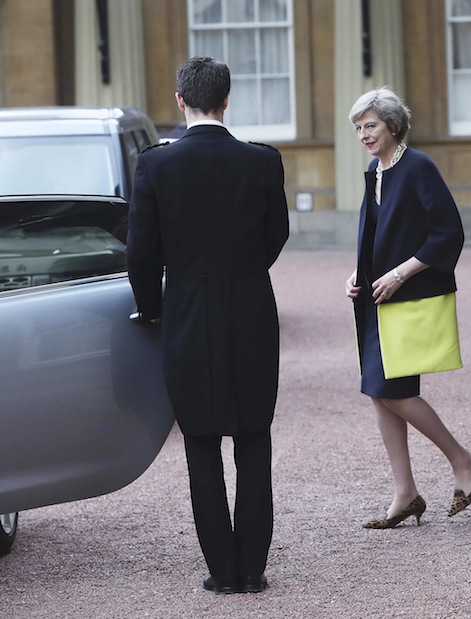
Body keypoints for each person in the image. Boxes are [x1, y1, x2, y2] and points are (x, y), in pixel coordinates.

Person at [127, 56, 289, 593]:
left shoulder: (155, 165)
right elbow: (277, 235)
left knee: (200, 441)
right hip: (250, 307)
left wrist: (152, 306)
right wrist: (242, 271)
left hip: (188, 312)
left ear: (180, 101)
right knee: (253, 435)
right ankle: (253, 567)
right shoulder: (262, 162)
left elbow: (141, 253)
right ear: (227, 99)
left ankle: (223, 569)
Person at [344, 87, 471, 528]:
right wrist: (358, 275)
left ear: (392, 124)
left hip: (405, 297)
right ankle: (405, 491)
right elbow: (376, 234)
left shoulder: (418, 166)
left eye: (370, 125)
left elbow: (447, 233)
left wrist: (400, 273)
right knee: (379, 393)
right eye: (358, 128)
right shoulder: (377, 169)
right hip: (377, 298)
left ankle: (463, 460)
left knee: (393, 391)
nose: (364, 135)